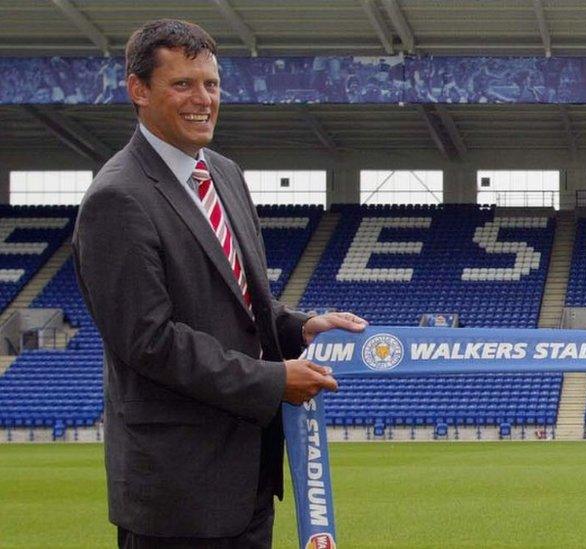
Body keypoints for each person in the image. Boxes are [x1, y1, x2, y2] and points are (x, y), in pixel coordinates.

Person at [73, 19, 367, 547]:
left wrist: (299, 328)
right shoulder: (117, 198)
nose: (202, 99)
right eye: (182, 84)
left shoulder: (224, 174)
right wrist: (274, 381)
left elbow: (243, 304)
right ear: (138, 90)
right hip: (179, 492)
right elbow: (150, 342)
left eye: (210, 84)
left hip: (249, 477)